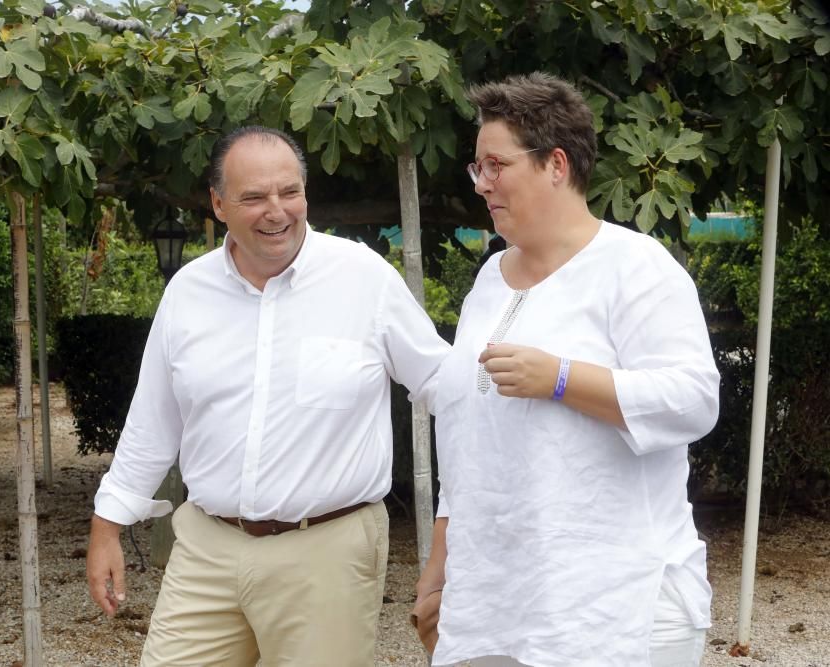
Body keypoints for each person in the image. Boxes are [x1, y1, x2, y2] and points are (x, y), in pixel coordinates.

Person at [86, 125, 450, 666]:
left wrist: (462, 518)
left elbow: (447, 388)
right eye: (253, 197)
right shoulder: (188, 291)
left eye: (289, 192)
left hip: (326, 551)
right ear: (218, 204)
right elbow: (155, 421)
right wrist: (107, 526)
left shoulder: (364, 279)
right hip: (206, 549)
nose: (276, 211)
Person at [412, 73, 720, 667]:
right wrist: (438, 571)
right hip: (494, 602)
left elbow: (693, 400)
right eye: (478, 168)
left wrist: (560, 378)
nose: (482, 184)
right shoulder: (488, 281)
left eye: (496, 165)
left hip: (609, 608)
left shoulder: (636, 268)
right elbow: (464, 437)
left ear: (556, 164)